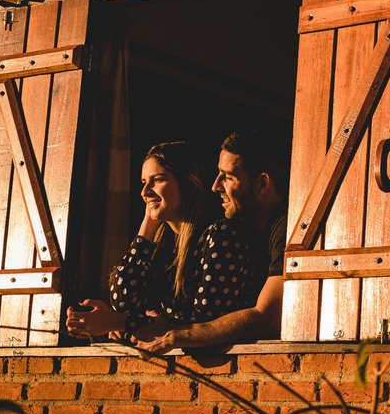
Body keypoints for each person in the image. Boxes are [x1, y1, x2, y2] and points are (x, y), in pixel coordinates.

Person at [66, 141, 263, 338]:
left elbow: (206, 324)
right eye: (144, 182)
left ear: (190, 185)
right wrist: (148, 224)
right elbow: (123, 300)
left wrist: (123, 323)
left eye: (158, 180)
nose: (145, 192)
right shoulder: (164, 244)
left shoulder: (222, 235)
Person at [126, 129, 289, 353]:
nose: (215, 186)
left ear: (262, 184)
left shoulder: (286, 230)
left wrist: (177, 335)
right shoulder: (245, 230)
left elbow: (267, 317)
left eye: (229, 177)